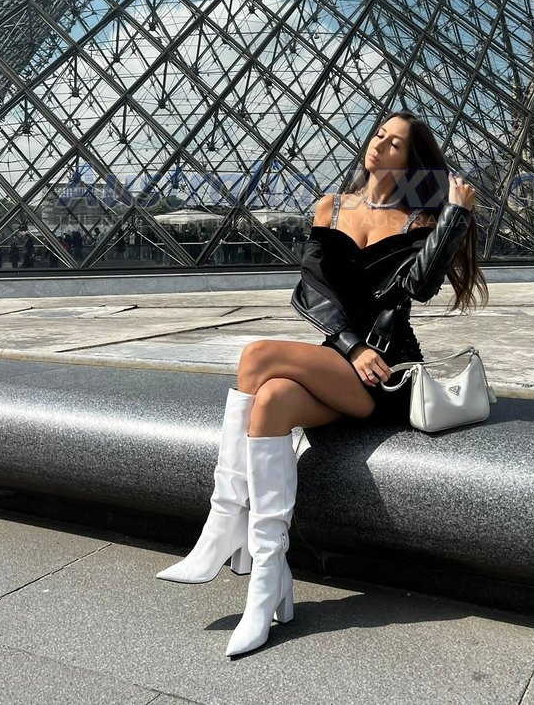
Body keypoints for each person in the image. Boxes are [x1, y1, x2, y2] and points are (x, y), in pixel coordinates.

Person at [156, 112, 488, 657]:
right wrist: (350, 346)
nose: (380, 146)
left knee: (257, 355)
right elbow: (310, 291)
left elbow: (421, 286)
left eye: (396, 144)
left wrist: (454, 215)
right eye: (379, 135)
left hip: (387, 372)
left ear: (410, 161)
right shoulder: (330, 206)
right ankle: (269, 580)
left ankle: (223, 524)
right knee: (271, 398)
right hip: (345, 359)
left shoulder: (420, 218)